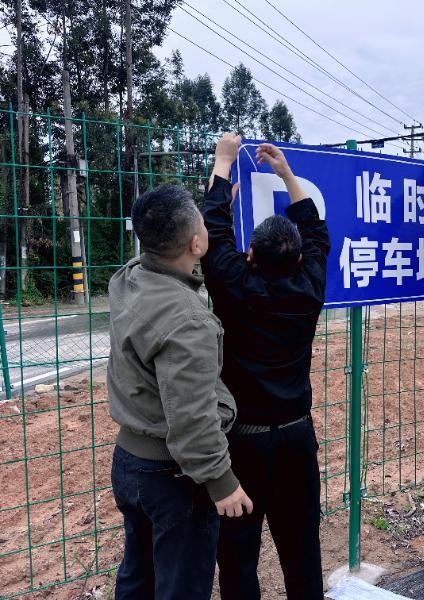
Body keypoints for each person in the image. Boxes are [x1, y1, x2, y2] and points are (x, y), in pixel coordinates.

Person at [108, 185, 253, 600]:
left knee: (138, 575)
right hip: (172, 475)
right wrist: (221, 482)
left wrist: (212, 205)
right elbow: (192, 417)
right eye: (202, 222)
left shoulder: (128, 279)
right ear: (196, 243)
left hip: (129, 461)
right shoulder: (188, 320)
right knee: (182, 586)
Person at [201, 134, 330, 600]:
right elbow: (316, 232)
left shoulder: (234, 286)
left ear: (251, 254)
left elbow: (213, 233)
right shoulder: (310, 287)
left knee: (238, 553)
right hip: (297, 437)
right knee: (302, 547)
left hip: (244, 442)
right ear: (299, 259)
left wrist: (223, 162)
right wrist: (287, 174)